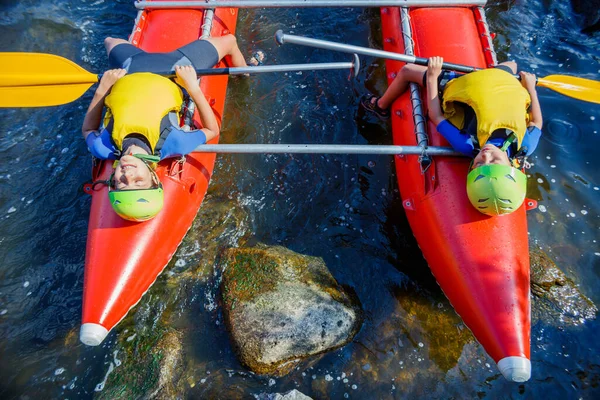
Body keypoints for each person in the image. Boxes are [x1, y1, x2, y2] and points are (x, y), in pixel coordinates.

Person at [82, 35, 247, 222]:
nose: (128, 174)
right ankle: (245, 76)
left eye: (122, 182)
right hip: (175, 68)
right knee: (230, 41)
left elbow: (88, 130)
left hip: (130, 67)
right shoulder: (172, 143)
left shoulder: (105, 147)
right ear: (153, 178)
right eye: (138, 181)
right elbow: (212, 130)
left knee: (109, 40)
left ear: (112, 180)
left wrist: (102, 89)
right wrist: (192, 86)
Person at [361, 57, 543, 216]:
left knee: (407, 70)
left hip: (462, 84)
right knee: (512, 63)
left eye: (479, 163)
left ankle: (380, 106)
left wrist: (432, 78)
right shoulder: (525, 145)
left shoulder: (467, 144)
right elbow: (537, 122)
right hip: (500, 83)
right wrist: (531, 89)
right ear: (512, 165)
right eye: (494, 161)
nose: (486, 155)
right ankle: (488, 71)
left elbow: (436, 115)